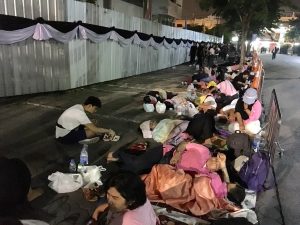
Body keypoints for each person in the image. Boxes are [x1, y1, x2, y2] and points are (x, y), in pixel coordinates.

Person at [92, 171, 158, 225]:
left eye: (115, 197)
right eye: (108, 194)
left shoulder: (125, 221)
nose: (109, 200)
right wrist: (98, 209)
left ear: (131, 201)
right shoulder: (141, 198)